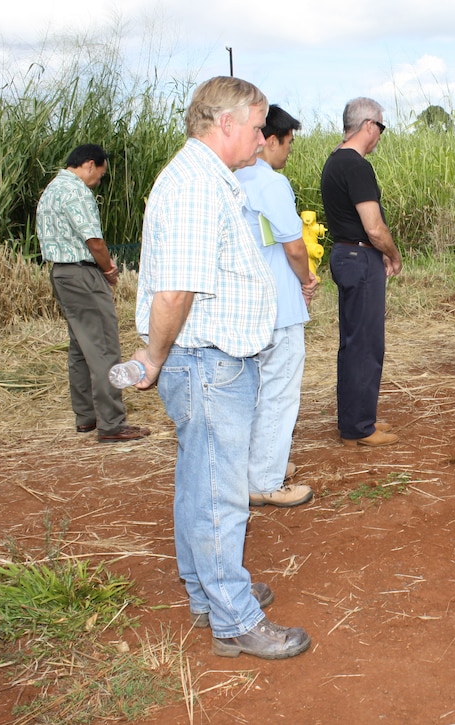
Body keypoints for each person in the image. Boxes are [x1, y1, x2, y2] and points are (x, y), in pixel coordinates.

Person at [131, 76, 310, 660]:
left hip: (212, 358)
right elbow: (175, 292)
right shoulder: (193, 187)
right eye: (258, 128)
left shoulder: (212, 179)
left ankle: (209, 592)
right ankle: (234, 617)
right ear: (226, 124)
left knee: (200, 481)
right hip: (205, 361)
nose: (263, 140)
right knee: (220, 493)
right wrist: (153, 358)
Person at [35, 144, 150, 442]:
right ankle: (112, 423)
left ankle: (86, 417)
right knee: (104, 348)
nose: (98, 180)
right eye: (99, 174)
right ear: (88, 164)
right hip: (83, 274)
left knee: (80, 347)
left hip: (61, 273)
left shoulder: (52, 189)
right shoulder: (76, 192)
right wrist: (109, 269)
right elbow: (94, 240)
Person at [234, 105, 319, 508]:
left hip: (246, 304)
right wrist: (306, 279)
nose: (287, 153)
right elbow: (294, 245)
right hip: (278, 304)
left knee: (252, 390)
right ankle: (265, 480)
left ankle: (261, 463)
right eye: (287, 144)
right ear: (270, 140)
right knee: (279, 391)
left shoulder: (230, 178)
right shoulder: (271, 183)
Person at [320, 97, 402, 446]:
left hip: (345, 254)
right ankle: (359, 427)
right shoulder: (356, 165)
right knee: (366, 344)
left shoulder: (335, 161)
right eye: (381, 127)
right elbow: (374, 227)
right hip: (360, 256)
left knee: (355, 343)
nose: (380, 135)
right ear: (369, 125)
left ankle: (357, 417)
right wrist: (393, 255)